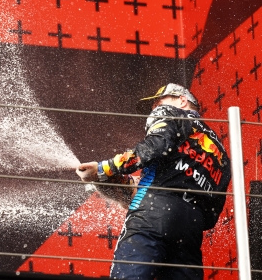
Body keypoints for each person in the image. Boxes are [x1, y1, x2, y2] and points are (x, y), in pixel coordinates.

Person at [76, 83, 231, 279]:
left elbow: (154, 147)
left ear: (182, 101)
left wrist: (103, 168)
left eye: (158, 102)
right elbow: (211, 217)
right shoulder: (223, 157)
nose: (155, 108)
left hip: (152, 215)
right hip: (191, 231)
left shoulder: (171, 114)